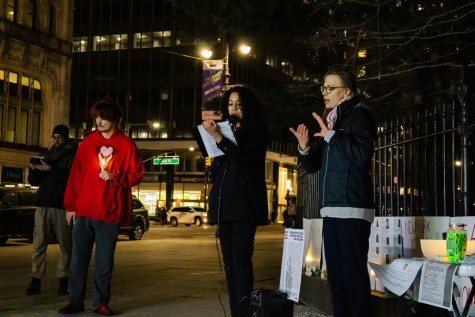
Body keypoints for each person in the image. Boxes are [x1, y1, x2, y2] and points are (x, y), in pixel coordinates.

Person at [289, 69, 376, 317]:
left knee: (352, 277)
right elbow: (314, 165)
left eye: (330, 88)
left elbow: (361, 154)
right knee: (337, 279)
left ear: (346, 91)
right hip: (331, 207)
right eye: (323, 87)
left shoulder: (360, 116)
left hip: (351, 207)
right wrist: (305, 148)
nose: (324, 92)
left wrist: (331, 136)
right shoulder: (333, 120)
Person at [58, 98, 145, 315]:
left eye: (104, 117)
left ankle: (101, 302)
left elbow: (137, 174)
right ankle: (75, 301)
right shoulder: (87, 144)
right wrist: (70, 206)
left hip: (109, 213)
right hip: (84, 211)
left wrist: (116, 176)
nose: (99, 121)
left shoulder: (126, 145)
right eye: (97, 116)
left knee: (104, 263)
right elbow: (75, 176)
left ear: (115, 119)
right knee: (78, 260)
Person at [202, 86, 268, 317]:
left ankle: (244, 311)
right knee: (229, 262)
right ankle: (235, 312)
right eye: (230, 104)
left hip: (245, 204)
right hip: (224, 202)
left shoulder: (256, 130)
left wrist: (220, 138)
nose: (234, 108)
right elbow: (219, 168)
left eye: (239, 104)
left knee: (241, 260)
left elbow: (245, 160)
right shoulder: (225, 131)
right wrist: (213, 145)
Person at [26, 124, 78, 295]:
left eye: (60, 137)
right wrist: (33, 170)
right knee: (38, 243)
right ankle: (36, 279)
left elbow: (72, 180)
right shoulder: (47, 155)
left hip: (62, 205)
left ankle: (64, 280)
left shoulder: (73, 155)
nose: (56, 141)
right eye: (54, 137)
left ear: (66, 137)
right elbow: (35, 182)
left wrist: (52, 169)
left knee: (66, 244)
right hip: (43, 204)